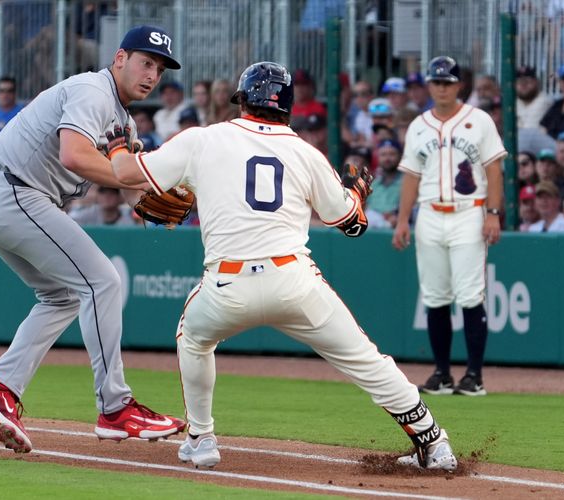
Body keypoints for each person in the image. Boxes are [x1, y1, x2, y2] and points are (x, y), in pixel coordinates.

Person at [111, 61, 458, 472]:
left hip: (227, 284)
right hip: (293, 279)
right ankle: (434, 444)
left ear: (243, 101)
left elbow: (126, 173)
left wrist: (118, 146)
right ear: (288, 107)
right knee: (367, 360)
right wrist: (355, 197)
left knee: (193, 338)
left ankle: (202, 438)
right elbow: (351, 225)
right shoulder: (306, 153)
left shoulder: (205, 139)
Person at [0, 25, 186, 454]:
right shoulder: (93, 91)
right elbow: (75, 156)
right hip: (13, 192)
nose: (152, 74)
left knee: (62, 296)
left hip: (1, 197)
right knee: (103, 281)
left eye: (158, 68)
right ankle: (116, 408)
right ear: (119, 58)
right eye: (145, 61)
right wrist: (136, 179)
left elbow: (140, 187)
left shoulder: (124, 122)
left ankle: (1, 387)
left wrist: (159, 199)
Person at [392, 56, 506, 397]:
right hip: (429, 213)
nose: (442, 87)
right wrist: (402, 219)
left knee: (470, 294)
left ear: (459, 85)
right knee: (435, 295)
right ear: (429, 85)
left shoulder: (479, 120)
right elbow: (411, 175)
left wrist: (493, 212)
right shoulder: (418, 125)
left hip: (468, 211)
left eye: (447, 81)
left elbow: (494, 170)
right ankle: (441, 373)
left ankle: (474, 376)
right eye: (436, 81)